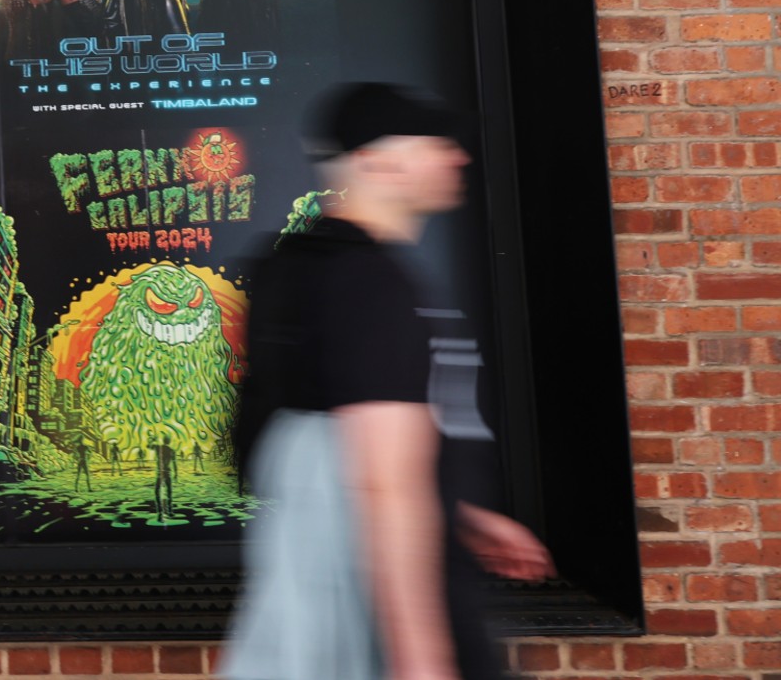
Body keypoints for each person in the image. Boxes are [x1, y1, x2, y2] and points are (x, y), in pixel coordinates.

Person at [223, 84, 553, 680]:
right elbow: (383, 482)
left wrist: (466, 514)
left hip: (341, 603)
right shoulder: (370, 283)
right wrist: (421, 659)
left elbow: (329, 436)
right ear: (378, 162)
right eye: (434, 144)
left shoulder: (295, 262)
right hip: (394, 615)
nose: (458, 157)